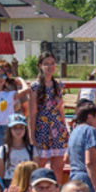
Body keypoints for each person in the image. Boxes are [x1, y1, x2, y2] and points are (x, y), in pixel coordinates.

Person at [26, 52, 71, 181]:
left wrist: (65, 128)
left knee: (58, 168)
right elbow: (32, 113)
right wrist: (31, 135)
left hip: (57, 128)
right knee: (38, 166)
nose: (50, 67)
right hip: (42, 129)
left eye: (52, 64)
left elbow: (60, 109)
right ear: (40, 66)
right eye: (46, 64)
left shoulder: (58, 86)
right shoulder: (36, 87)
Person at [67, 103, 96, 192]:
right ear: (89, 117)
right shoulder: (90, 131)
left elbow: (67, 158)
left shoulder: (75, 131)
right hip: (89, 182)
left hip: (76, 179)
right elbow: (90, 162)